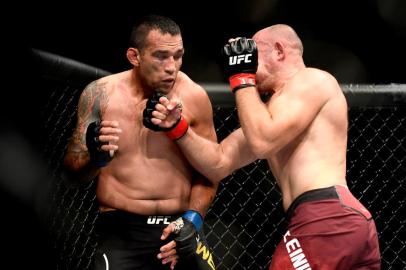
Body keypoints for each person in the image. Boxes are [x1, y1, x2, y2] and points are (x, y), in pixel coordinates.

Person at [146, 24, 381, 269]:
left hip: (326, 217)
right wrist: (177, 127)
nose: (247, 63)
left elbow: (261, 143)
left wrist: (241, 77)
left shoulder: (313, 80)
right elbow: (219, 162)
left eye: (252, 55)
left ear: (279, 51)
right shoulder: (273, 116)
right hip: (335, 222)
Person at [63, 15, 218, 270]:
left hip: (178, 226)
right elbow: (71, 174)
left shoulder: (194, 97)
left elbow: (211, 170)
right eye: (161, 56)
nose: (172, 66)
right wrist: (95, 158)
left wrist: (192, 221)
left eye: (178, 55)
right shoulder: (100, 94)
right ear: (135, 56)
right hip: (121, 232)